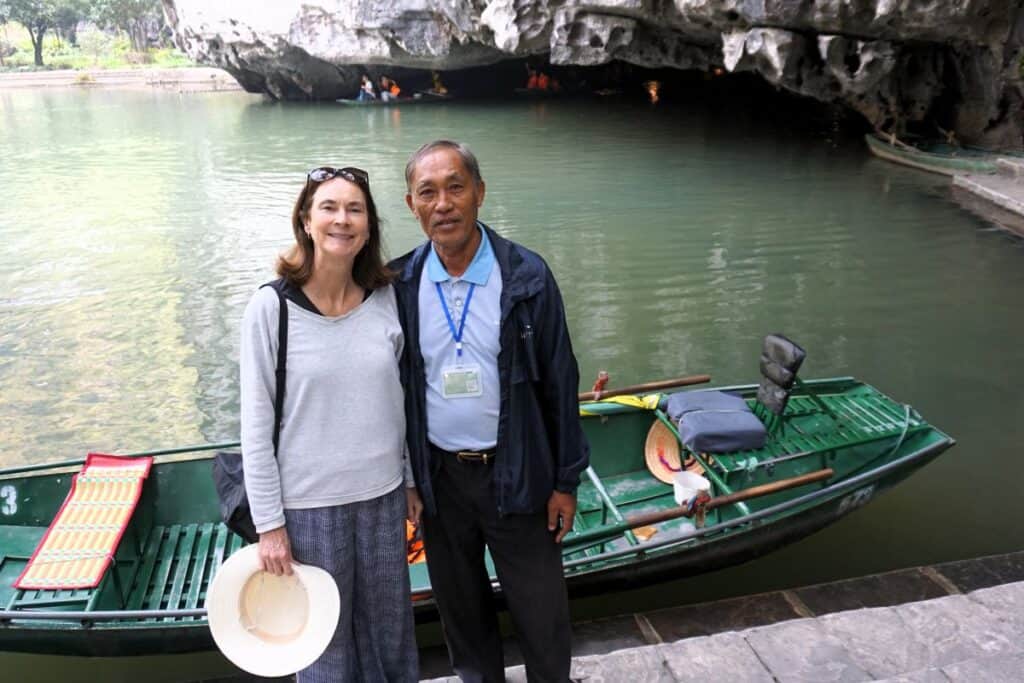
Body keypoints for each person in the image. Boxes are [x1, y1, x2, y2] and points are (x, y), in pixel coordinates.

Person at [390, 140, 590, 682]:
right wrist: (408, 478)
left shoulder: (527, 276)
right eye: (428, 192)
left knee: (541, 615)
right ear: (412, 205)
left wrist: (565, 481)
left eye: (456, 187)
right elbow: (389, 392)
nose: (444, 204)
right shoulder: (397, 284)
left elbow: (560, 379)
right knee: (463, 618)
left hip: (518, 473)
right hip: (440, 481)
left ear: (479, 192)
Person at [240, 165, 421, 682]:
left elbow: (399, 402)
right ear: (306, 219)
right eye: (329, 207)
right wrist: (270, 526)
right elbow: (254, 427)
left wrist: (408, 479)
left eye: (355, 209)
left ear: (368, 226)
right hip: (307, 510)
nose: (342, 220)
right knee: (323, 646)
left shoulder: (386, 299)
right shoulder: (270, 308)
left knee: (391, 635)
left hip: (382, 499)